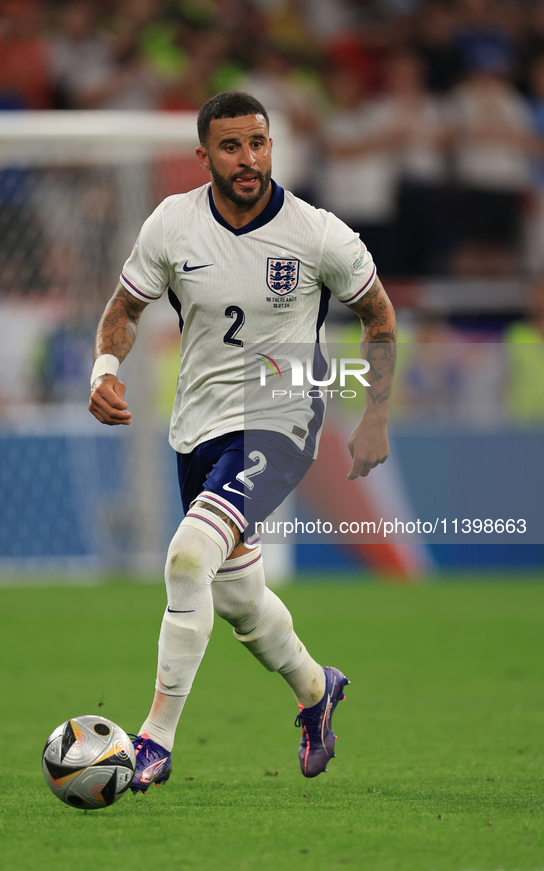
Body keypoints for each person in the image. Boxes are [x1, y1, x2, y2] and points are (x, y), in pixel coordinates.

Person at [88, 91, 397, 791]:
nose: (248, 158)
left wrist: (374, 414)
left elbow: (378, 315)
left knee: (187, 555)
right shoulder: (173, 223)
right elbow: (125, 308)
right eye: (231, 147)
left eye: (257, 143)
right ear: (204, 156)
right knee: (236, 597)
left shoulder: (318, 234)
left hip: (280, 423)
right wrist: (105, 368)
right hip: (197, 425)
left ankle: (153, 742)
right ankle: (317, 689)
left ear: (270, 146)